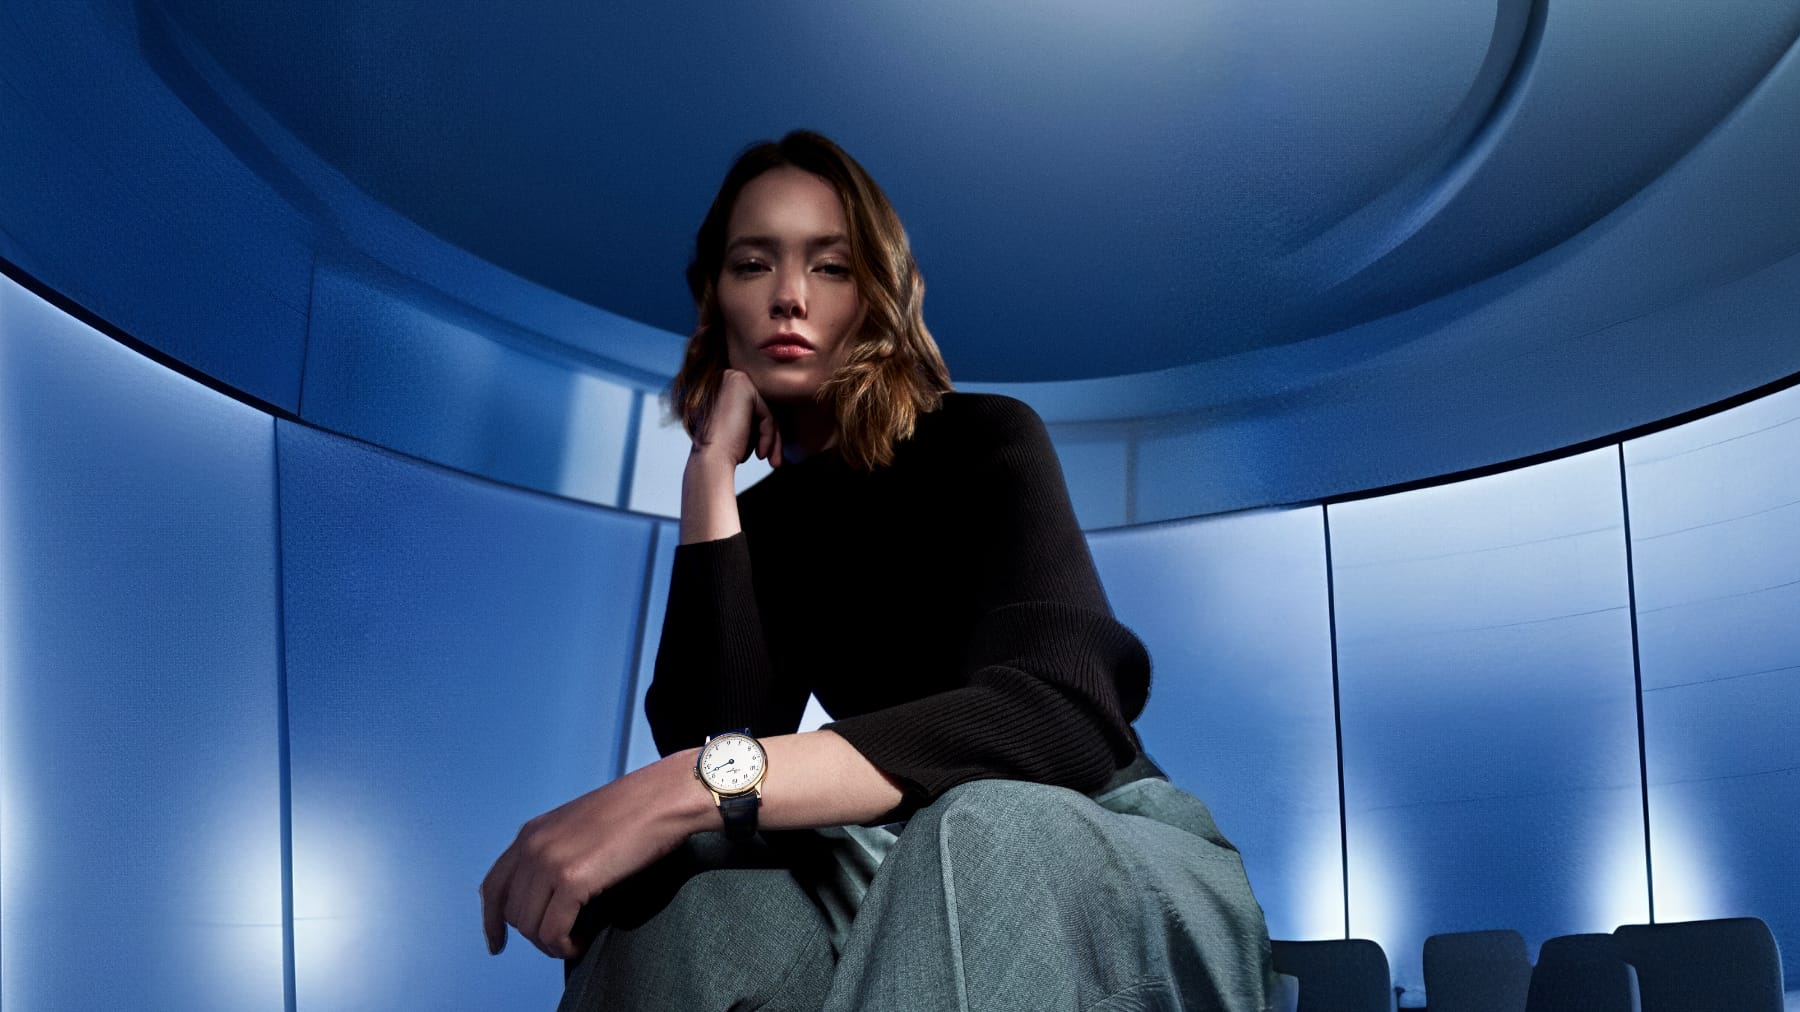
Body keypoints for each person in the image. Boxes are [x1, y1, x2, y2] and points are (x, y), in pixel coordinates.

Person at [480, 130, 1274, 1011]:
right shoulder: (762, 524)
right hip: (900, 857)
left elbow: (1064, 712)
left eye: (830, 267)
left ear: (877, 294)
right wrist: (709, 473)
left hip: (1107, 837)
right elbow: (715, 745)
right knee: (687, 881)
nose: (789, 296)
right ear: (717, 300)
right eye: (753, 265)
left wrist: (689, 786)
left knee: (980, 828)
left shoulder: (985, 437)